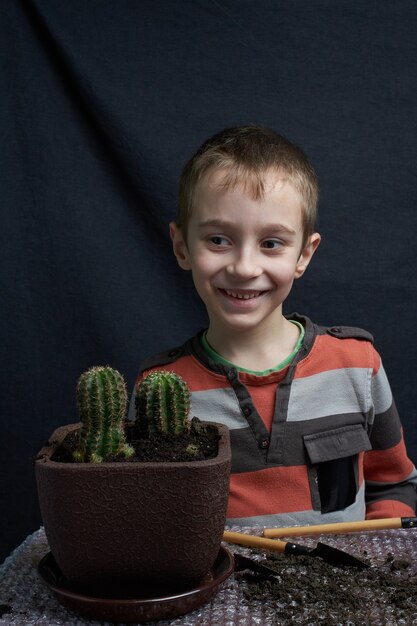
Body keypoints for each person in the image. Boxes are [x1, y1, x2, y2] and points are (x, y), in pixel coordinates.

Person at [131, 125, 417, 527]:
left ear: (304, 254)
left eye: (271, 243)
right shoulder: (159, 389)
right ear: (182, 247)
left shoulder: (357, 364)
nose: (245, 267)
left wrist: (376, 555)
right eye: (218, 240)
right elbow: (145, 518)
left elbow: (393, 486)